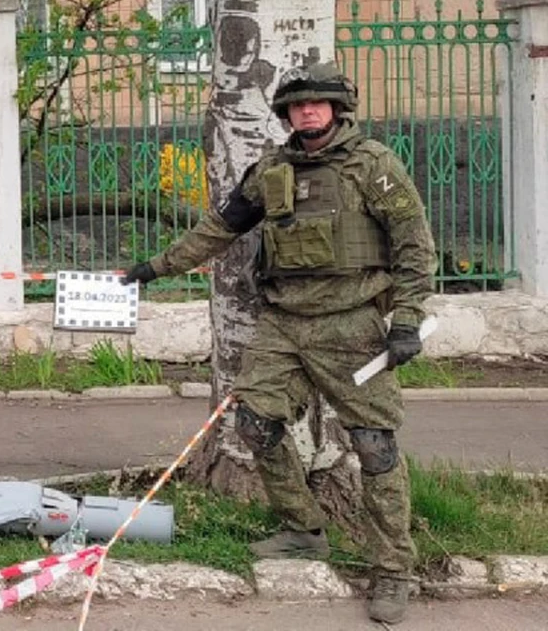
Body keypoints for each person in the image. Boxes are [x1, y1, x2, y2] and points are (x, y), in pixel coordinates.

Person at [121, 61, 437, 625]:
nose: (308, 111)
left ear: (338, 108)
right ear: (286, 113)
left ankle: (393, 569)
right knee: (255, 422)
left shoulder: (373, 165)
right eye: (297, 105)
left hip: (353, 324)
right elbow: (221, 228)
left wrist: (408, 320)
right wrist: (153, 268)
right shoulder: (271, 168)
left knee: (374, 445)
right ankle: (303, 528)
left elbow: (415, 246)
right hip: (284, 323)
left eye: (318, 103)